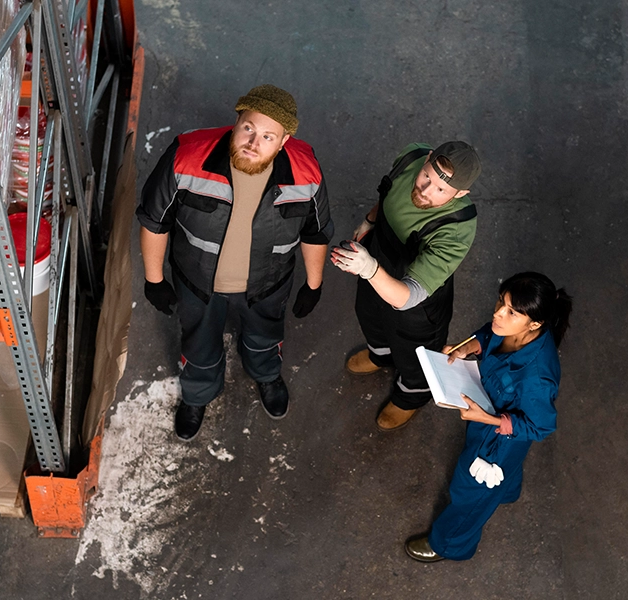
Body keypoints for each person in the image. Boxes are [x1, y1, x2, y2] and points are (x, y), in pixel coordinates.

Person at [136, 84, 333, 441]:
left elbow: (316, 232)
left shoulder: (306, 172)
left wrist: (313, 284)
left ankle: (266, 375)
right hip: (198, 284)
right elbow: (154, 220)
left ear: (284, 141)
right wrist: (154, 279)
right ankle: (197, 394)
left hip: (267, 285)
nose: (254, 143)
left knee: (264, 338)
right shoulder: (187, 156)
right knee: (199, 345)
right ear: (236, 121)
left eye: (268, 137)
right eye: (248, 129)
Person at [403, 271, 572, 562]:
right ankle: (506, 491)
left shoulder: (538, 377)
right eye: (500, 302)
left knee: (470, 492)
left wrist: (490, 420)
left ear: (535, 323)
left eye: (511, 312)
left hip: (498, 442)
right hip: (487, 415)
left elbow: (541, 426)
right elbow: (489, 334)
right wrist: (469, 347)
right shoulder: (509, 329)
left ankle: (449, 544)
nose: (498, 314)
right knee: (505, 474)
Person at [331, 141, 480, 431]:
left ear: (461, 194)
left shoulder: (457, 227)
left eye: (441, 190)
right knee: (369, 314)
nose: (426, 190)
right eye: (427, 176)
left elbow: (406, 297)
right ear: (426, 158)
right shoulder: (410, 157)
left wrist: (369, 269)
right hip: (375, 263)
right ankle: (380, 355)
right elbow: (388, 194)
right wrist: (369, 221)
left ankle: (410, 396)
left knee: (415, 354)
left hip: (415, 304)